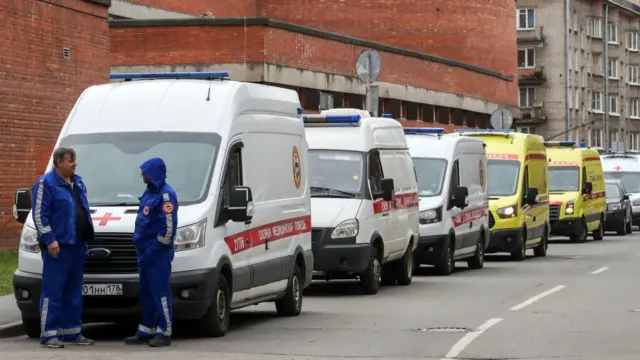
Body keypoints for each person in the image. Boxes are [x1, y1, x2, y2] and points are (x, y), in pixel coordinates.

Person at [32, 147, 95, 348]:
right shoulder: (45, 183)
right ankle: (49, 333)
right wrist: (50, 240)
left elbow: (83, 210)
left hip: (77, 245)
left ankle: (72, 332)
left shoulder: (78, 182)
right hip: (58, 247)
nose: (75, 164)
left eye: (75, 160)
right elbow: (40, 216)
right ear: (59, 162)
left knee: (73, 290)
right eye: (71, 160)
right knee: (53, 290)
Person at [125, 158, 178, 347]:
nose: (142, 175)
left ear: (153, 173)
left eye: (145, 171)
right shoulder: (149, 192)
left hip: (157, 254)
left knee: (160, 292)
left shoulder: (166, 195)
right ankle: (146, 329)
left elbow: (168, 230)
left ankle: (164, 332)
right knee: (146, 292)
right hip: (144, 253)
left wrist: (154, 249)